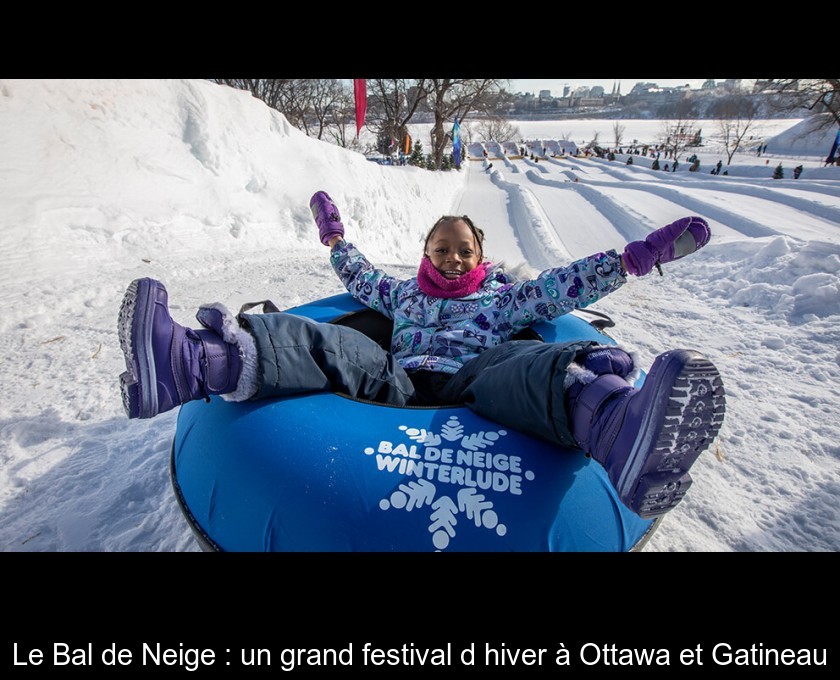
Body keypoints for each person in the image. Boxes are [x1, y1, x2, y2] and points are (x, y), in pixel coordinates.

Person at [118, 192, 725, 520]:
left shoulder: (504, 299)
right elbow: (358, 279)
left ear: (480, 255)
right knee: (341, 343)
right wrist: (335, 239)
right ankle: (192, 363)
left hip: (475, 385)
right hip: (397, 381)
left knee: (522, 364)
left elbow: (559, 288)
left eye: (464, 250)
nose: (453, 259)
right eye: (441, 248)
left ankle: (619, 427)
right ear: (425, 252)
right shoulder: (403, 294)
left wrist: (633, 259)